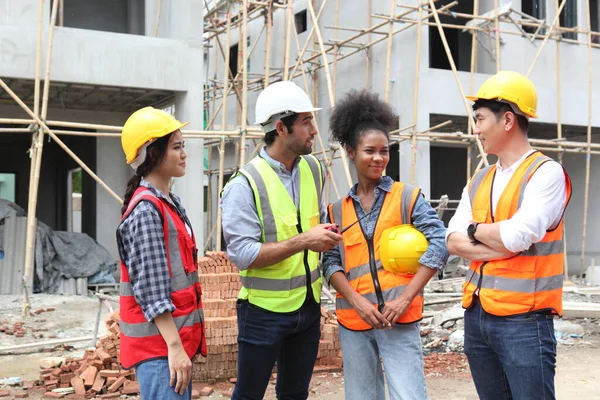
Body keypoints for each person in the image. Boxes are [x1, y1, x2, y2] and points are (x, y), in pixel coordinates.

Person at [446, 71, 572, 400]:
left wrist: (475, 231)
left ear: (506, 120)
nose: (475, 129)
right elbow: (451, 240)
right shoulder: (480, 179)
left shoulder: (545, 173)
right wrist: (496, 244)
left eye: (480, 119)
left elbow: (518, 235)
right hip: (477, 315)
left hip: (525, 320)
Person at [322, 89, 449, 400]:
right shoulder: (336, 210)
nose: (379, 158)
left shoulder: (408, 197)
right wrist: (357, 302)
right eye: (370, 151)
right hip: (354, 321)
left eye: (385, 150)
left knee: (409, 395)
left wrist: (405, 299)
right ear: (350, 152)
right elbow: (329, 263)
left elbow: (439, 244)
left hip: (398, 320)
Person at [220, 81, 342, 400]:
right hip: (263, 313)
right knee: (249, 395)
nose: (314, 129)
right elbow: (243, 254)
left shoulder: (313, 168)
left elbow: (313, 223)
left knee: (294, 394)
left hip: (308, 307)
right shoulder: (243, 185)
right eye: (305, 122)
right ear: (280, 127)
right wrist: (305, 241)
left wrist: (326, 237)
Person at [116, 107, 206, 400]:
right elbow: (152, 291)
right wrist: (175, 347)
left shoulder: (168, 202)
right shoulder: (147, 211)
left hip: (169, 345)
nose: (184, 154)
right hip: (160, 349)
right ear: (152, 153)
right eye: (176, 147)